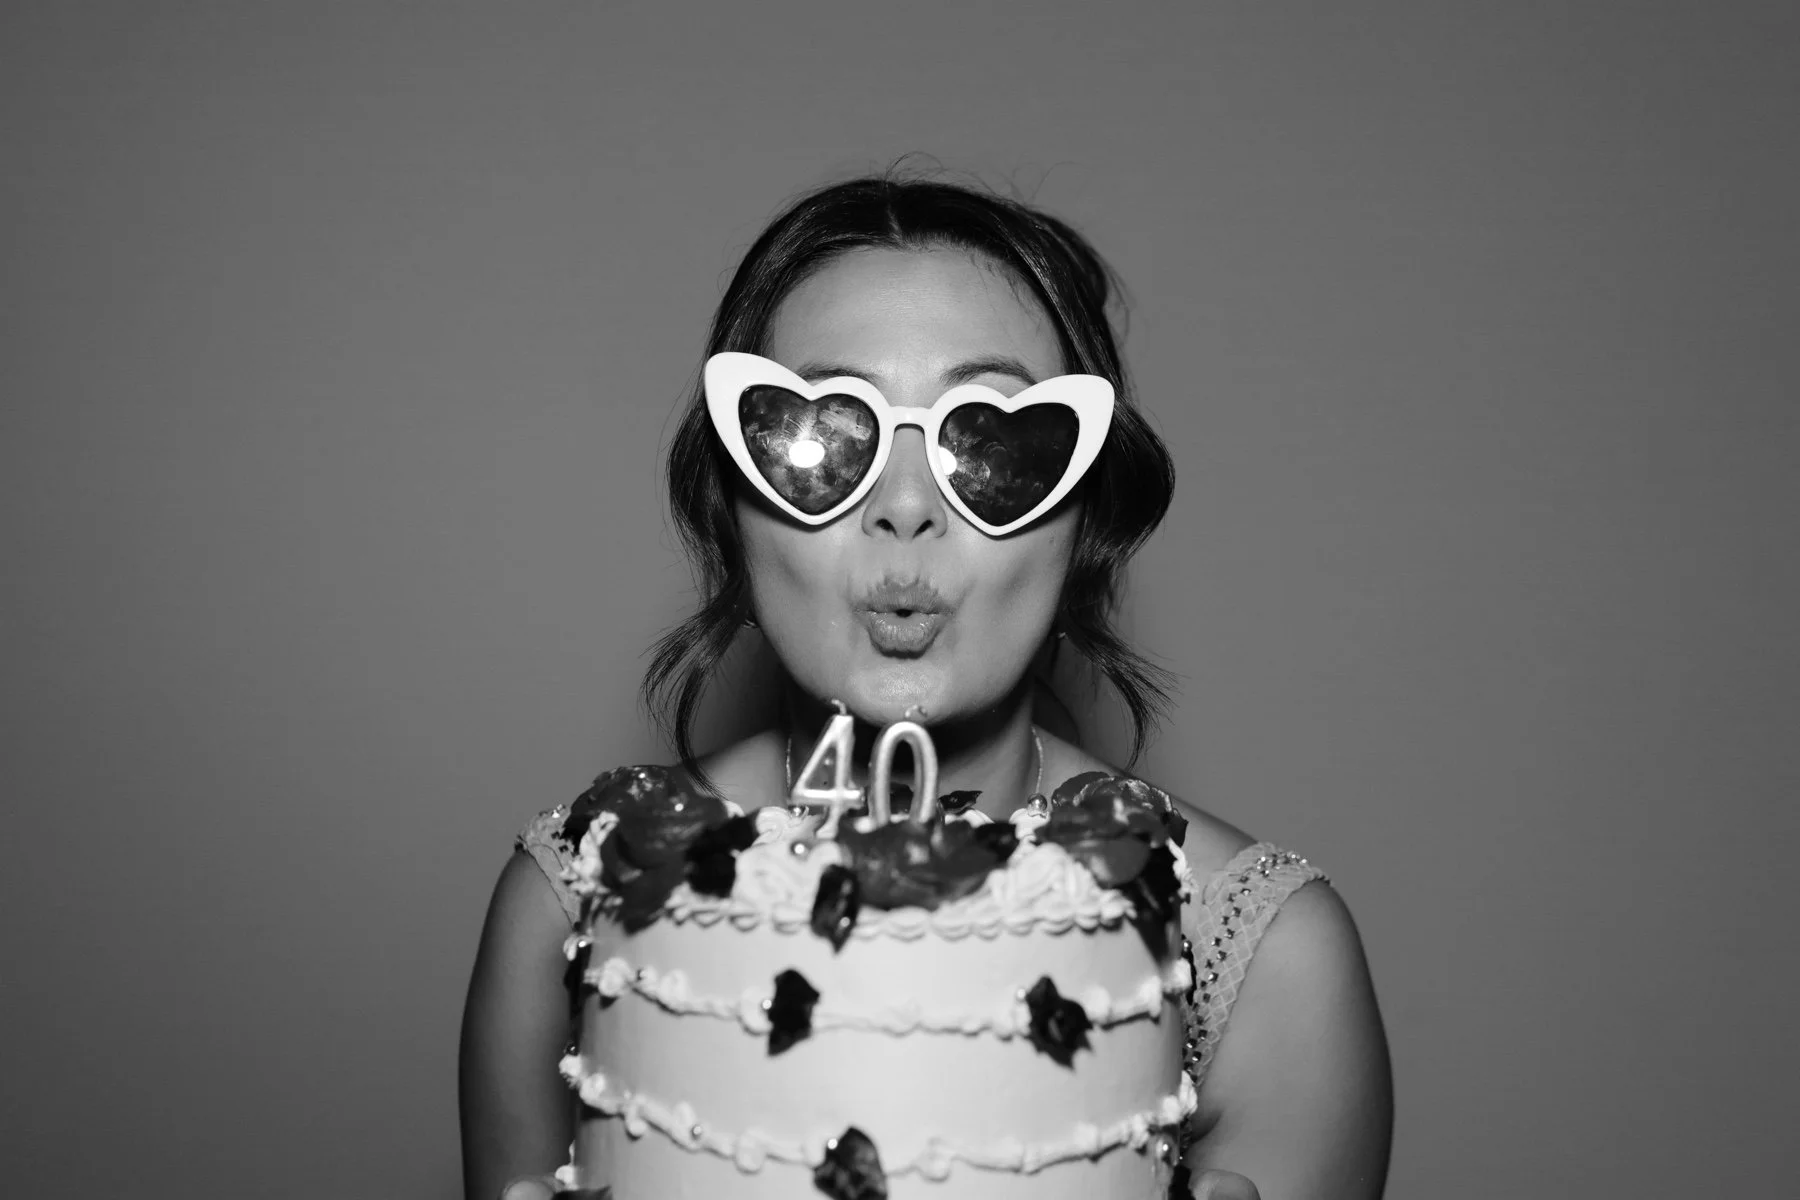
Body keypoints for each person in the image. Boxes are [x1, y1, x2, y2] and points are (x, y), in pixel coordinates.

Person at [459, 174, 1393, 1200]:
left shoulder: (1265, 962)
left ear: (1085, 513)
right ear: (733, 502)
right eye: (818, 439)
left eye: (992, 443)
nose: (905, 507)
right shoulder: (569, 901)